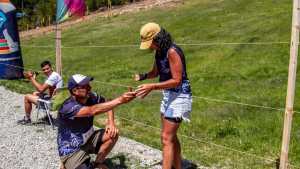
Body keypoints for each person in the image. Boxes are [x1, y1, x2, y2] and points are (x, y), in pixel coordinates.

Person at [134, 23, 192, 169]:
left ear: (158, 39)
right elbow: (156, 72)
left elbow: (177, 80)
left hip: (180, 96)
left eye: (150, 43)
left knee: (166, 138)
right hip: (168, 94)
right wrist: (143, 76)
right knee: (170, 137)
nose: (150, 47)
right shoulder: (159, 52)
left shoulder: (172, 51)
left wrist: (152, 86)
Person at [58, 74, 136, 169]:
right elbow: (91, 110)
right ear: (75, 91)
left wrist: (111, 123)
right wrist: (120, 100)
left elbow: (107, 102)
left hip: (89, 138)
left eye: (88, 84)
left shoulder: (90, 96)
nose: (90, 87)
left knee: (112, 134)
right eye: (85, 86)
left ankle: (98, 163)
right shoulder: (67, 107)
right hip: (72, 149)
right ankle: (66, 163)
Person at [17, 60, 63, 124]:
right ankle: (47, 116)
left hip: (53, 104)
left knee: (27, 97)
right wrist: (33, 78)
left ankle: (27, 119)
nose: (46, 71)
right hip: (57, 100)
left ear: (51, 68)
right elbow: (41, 88)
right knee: (35, 93)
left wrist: (31, 78)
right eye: (44, 70)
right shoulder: (54, 75)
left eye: (47, 69)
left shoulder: (53, 77)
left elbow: (41, 89)